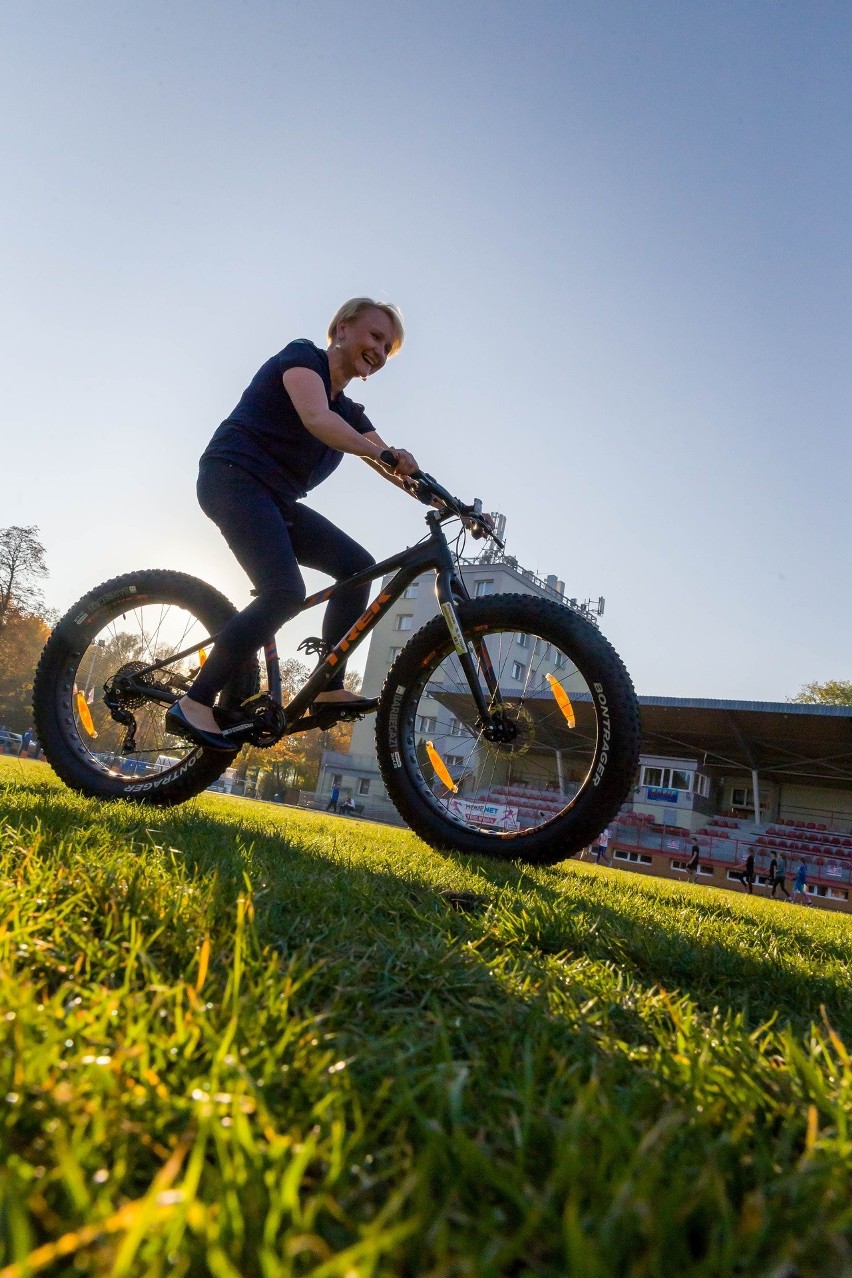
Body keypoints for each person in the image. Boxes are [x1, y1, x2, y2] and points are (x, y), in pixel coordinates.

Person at [165, 299, 421, 753]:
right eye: (376, 336)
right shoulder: (302, 357)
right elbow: (316, 418)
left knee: (357, 566)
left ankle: (327, 685)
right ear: (342, 327)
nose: (380, 351)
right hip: (234, 477)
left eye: (388, 348)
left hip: (276, 500)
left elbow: (388, 461)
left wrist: (442, 497)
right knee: (284, 590)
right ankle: (194, 701)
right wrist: (381, 455)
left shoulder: (352, 412)